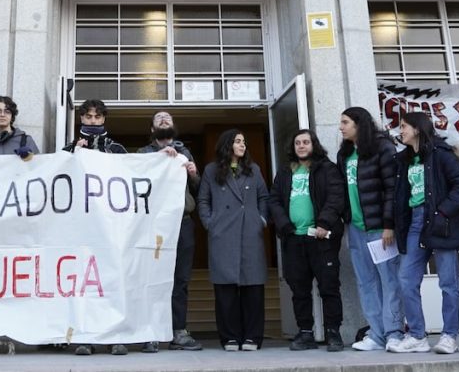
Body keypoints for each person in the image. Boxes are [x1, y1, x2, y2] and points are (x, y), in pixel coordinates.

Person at [390, 112, 459, 355]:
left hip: (441, 222)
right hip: (415, 223)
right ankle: (417, 335)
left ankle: (449, 336)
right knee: (406, 279)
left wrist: (442, 212)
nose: (400, 131)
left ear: (417, 128)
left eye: (404, 126)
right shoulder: (403, 160)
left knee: (448, 283)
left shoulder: (441, 154)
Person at [60, 98, 129, 355]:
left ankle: (116, 337)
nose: (92, 121)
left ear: (104, 119)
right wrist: (72, 155)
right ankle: (84, 337)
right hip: (81, 229)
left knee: (112, 282)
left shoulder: (117, 149)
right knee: (84, 284)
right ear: (81, 119)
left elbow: (131, 180)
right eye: (88, 117)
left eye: (97, 117)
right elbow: (56, 180)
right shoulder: (68, 148)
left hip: (110, 227)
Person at [267, 129, 346, 352]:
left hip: (321, 239)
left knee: (329, 287)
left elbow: (336, 197)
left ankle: (333, 333)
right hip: (294, 239)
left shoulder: (327, 168)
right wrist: (285, 226)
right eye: (297, 143)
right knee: (299, 290)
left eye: (305, 142)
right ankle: (305, 333)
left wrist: (324, 223)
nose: (301, 146)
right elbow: (274, 200)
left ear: (314, 145)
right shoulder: (285, 172)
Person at [336, 106, 403, 352]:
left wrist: (389, 225)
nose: (341, 127)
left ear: (359, 123)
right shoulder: (344, 154)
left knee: (389, 280)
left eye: (345, 122)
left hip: (379, 228)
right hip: (355, 228)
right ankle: (377, 334)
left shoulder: (382, 147)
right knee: (366, 282)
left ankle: (395, 332)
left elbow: (392, 189)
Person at [197, 129, 269, 351]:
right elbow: (203, 200)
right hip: (222, 234)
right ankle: (229, 337)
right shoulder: (211, 170)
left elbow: (264, 197)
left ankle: (252, 337)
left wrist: (261, 220)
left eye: (244, 141)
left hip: (250, 233)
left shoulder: (254, 169)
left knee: (253, 288)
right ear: (227, 144)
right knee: (225, 290)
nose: (242, 145)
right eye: (238, 141)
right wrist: (210, 223)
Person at [137, 111, 203, 352]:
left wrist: (193, 174)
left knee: (180, 280)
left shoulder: (185, 153)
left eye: (168, 118)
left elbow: (198, 188)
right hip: (153, 224)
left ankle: (179, 332)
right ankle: (151, 332)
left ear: (173, 126)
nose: (164, 119)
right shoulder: (143, 154)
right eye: (158, 118)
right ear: (152, 129)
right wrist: (159, 159)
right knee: (152, 278)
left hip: (182, 222)